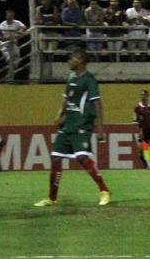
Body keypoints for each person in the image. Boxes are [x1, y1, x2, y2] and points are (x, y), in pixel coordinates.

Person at [34, 50, 110, 207]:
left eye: (71, 58)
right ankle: (52, 198)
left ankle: (104, 191)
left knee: (82, 157)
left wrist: (100, 130)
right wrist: (59, 114)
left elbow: (97, 104)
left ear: (80, 61)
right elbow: (66, 99)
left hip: (82, 125)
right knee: (56, 158)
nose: (68, 61)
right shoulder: (70, 77)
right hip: (68, 125)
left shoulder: (89, 80)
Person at [0, 10, 27, 82]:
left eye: (11, 15)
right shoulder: (2, 24)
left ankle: (9, 77)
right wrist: (9, 38)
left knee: (16, 60)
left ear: (13, 16)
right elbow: (1, 37)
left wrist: (20, 30)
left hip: (13, 43)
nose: (10, 16)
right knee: (10, 59)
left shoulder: (17, 22)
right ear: (6, 16)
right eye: (8, 15)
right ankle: (9, 78)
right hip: (4, 44)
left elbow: (24, 27)